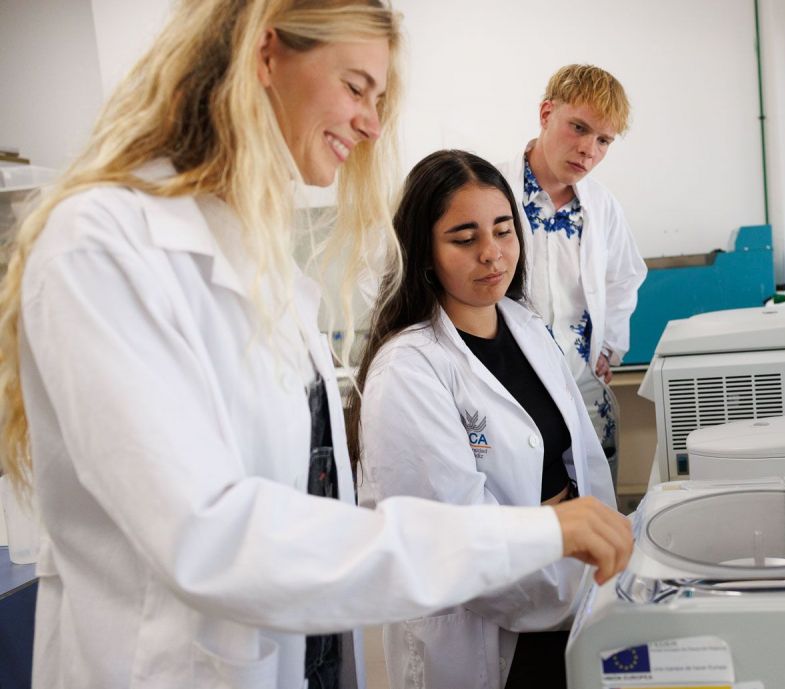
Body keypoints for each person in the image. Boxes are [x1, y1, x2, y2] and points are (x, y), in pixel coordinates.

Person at [0, 2, 631, 688]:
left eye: (379, 97)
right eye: (356, 87)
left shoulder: (258, 260)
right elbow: (213, 539)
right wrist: (535, 533)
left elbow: (315, 504)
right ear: (264, 56)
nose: (372, 122)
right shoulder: (102, 245)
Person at [346, 149, 617, 689]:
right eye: (465, 239)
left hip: (569, 599)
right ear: (425, 251)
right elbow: (452, 536)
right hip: (485, 635)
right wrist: (558, 537)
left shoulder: (527, 327)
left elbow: (582, 467)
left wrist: (592, 553)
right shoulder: (410, 368)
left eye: (503, 230)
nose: (492, 254)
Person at [499, 65, 647, 493]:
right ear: (546, 114)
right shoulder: (490, 188)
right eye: (578, 128)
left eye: (603, 140)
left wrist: (611, 345)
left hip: (581, 381)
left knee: (597, 508)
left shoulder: (601, 206)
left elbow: (625, 276)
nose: (588, 149)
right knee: (529, 510)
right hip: (511, 384)